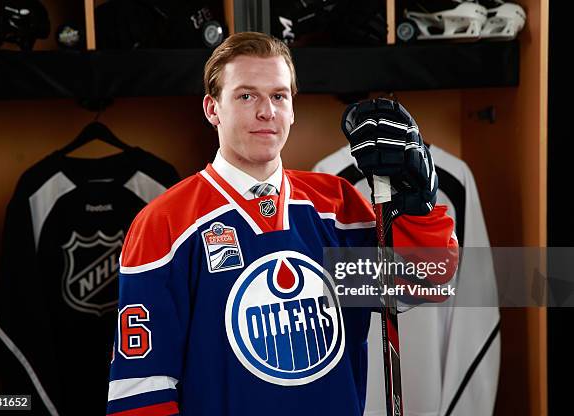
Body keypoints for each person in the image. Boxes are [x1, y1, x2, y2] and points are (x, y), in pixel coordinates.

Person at [105, 31, 458, 416]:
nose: (266, 112)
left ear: (292, 108)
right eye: (246, 95)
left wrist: (419, 209)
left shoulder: (336, 207)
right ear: (212, 109)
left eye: (278, 96)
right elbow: (143, 388)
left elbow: (420, 285)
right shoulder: (164, 223)